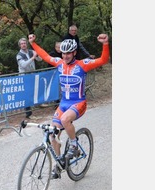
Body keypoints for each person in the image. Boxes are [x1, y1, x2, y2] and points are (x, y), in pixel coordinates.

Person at [28, 33, 109, 179]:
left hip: (79, 103)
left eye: (68, 53)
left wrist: (105, 44)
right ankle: (59, 164)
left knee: (65, 120)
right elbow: (45, 56)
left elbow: (103, 60)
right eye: (63, 53)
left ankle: (74, 144)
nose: (65, 56)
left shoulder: (82, 65)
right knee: (53, 134)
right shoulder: (59, 64)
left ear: (74, 53)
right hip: (64, 104)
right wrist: (33, 43)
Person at [16, 37, 42, 119]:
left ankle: (39, 104)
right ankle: (28, 113)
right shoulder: (19, 55)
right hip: (24, 77)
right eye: (22, 44)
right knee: (26, 94)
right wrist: (33, 58)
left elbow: (40, 59)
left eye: (24, 43)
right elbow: (23, 65)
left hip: (32, 75)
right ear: (20, 45)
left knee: (35, 90)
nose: (23, 45)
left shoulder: (31, 52)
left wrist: (37, 54)